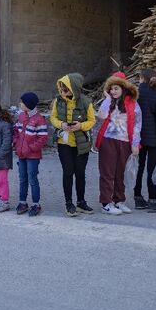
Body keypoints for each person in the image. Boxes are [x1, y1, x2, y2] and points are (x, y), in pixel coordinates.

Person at [95, 72, 142, 215]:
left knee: (120, 173)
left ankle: (119, 201)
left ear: (123, 88)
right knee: (107, 173)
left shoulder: (133, 104)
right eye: (111, 89)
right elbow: (101, 116)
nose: (113, 91)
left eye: (116, 89)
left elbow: (137, 125)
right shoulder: (108, 102)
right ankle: (106, 203)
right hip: (108, 141)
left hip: (125, 142)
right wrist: (107, 99)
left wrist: (135, 143)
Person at [50, 73, 96, 217]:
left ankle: (81, 202)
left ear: (74, 88)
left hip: (81, 143)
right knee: (68, 172)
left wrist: (80, 126)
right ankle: (69, 203)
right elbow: (53, 117)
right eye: (61, 88)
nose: (62, 91)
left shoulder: (86, 102)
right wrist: (61, 124)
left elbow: (92, 120)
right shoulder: (58, 101)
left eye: (66, 88)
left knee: (80, 173)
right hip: (64, 143)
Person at [133, 69, 156, 213]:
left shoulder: (135, 95)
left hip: (138, 138)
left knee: (139, 168)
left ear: (141, 78)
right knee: (152, 170)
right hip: (154, 139)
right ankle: (153, 199)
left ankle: (137, 197)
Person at [13, 92, 48, 216]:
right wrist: (16, 144)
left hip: (32, 156)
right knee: (23, 179)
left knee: (32, 179)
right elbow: (16, 132)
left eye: (22, 102)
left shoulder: (39, 119)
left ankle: (36, 204)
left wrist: (30, 148)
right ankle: (22, 202)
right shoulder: (21, 116)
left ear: (29, 105)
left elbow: (43, 138)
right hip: (21, 154)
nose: (20, 104)